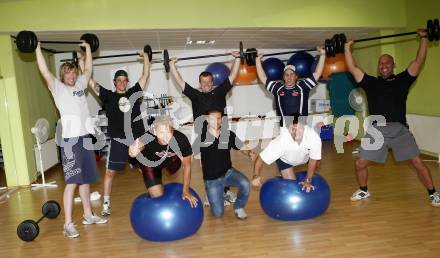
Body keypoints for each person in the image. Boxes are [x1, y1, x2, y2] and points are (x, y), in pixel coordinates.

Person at [344, 29, 440, 206]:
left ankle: (433, 193)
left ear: (393, 65)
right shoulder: (371, 83)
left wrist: (424, 38)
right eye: (381, 63)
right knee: (360, 163)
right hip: (377, 131)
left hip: (399, 129)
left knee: (418, 162)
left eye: (387, 63)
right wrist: (347, 48)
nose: (384, 65)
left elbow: (419, 61)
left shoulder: (403, 80)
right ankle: (364, 190)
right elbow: (353, 68)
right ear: (378, 67)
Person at [36, 41, 107, 239]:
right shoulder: (57, 88)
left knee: (85, 182)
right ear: (62, 75)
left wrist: (87, 50)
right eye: (68, 73)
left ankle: (88, 215)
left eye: (74, 73)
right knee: (72, 183)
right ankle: (67, 224)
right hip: (70, 142)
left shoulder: (80, 86)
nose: (72, 76)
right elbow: (44, 71)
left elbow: (89, 68)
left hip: (85, 139)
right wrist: (37, 49)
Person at [169, 50, 241, 205]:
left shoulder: (220, 92)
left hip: (221, 134)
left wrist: (237, 58)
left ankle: (226, 192)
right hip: (205, 137)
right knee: (208, 166)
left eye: (209, 81)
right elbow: (180, 81)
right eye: (204, 82)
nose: (207, 84)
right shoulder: (195, 95)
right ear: (199, 83)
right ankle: (210, 194)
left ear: (212, 81)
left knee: (225, 164)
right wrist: (172, 65)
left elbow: (232, 77)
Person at [84, 50, 150, 216]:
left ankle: (154, 194)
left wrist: (146, 58)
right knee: (110, 172)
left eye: (124, 80)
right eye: (118, 80)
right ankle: (106, 203)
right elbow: (89, 81)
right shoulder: (108, 96)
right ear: (115, 82)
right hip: (119, 140)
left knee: (145, 168)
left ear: (127, 82)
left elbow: (145, 74)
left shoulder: (134, 92)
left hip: (136, 139)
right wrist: (81, 64)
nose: (121, 82)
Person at [193, 109, 256, 219]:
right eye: (212, 119)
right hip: (212, 179)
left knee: (245, 183)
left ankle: (239, 207)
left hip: (228, 173)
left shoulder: (228, 134)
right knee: (218, 214)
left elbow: (242, 147)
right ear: (208, 120)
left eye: (219, 118)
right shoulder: (201, 138)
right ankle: (215, 192)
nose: (216, 121)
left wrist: (250, 153)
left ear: (222, 120)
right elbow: (192, 155)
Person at [128, 115, 198, 207]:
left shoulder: (181, 139)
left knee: (188, 158)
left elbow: (187, 166)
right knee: (158, 197)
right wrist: (132, 152)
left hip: (170, 161)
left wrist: (185, 191)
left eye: (168, 133)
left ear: (172, 131)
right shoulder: (148, 136)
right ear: (155, 132)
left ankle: (178, 157)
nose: (165, 137)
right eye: (161, 133)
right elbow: (138, 147)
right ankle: (150, 185)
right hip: (150, 165)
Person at [255, 47, 326, 126]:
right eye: (287, 75)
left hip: (301, 128)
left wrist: (323, 54)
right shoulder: (278, 88)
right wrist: (257, 60)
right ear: (283, 77)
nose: (289, 77)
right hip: (284, 130)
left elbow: (317, 73)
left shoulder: (303, 87)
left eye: (292, 74)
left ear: (296, 77)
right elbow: (263, 78)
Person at [252, 114, 322, 192]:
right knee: (292, 188)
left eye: (299, 128)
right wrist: (256, 175)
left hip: (306, 157)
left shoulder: (313, 137)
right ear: (288, 129)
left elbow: (313, 161)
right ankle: (283, 176)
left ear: (304, 127)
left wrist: (308, 181)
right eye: (293, 129)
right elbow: (260, 158)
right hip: (285, 161)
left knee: (317, 162)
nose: (296, 132)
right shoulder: (281, 141)